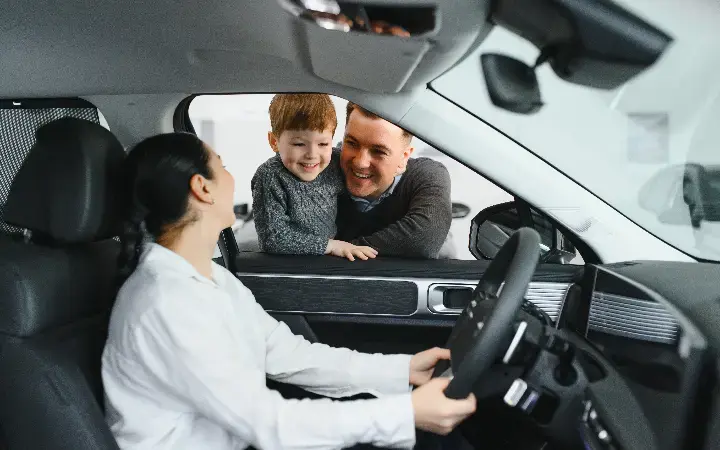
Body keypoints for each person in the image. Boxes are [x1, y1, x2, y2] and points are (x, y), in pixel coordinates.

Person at [102, 132, 477, 450]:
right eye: (222, 166)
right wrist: (404, 413)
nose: (232, 177)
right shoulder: (166, 303)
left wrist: (402, 370)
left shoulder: (210, 279)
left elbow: (287, 353)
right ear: (202, 188)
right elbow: (267, 423)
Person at [252, 94, 377, 261]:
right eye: (299, 144)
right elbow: (273, 239)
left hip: (326, 260)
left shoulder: (334, 162)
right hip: (288, 266)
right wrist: (330, 246)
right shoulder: (270, 176)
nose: (312, 154)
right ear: (274, 142)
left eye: (323, 144)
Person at [335, 103, 452, 259]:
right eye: (352, 143)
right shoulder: (321, 165)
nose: (360, 162)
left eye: (378, 151)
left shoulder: (426, 174)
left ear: (403, 158)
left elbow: (424, 238)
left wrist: (338, 250)